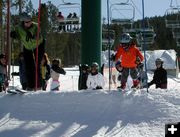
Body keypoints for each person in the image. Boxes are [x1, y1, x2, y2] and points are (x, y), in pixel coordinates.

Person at [10, 12, 45, 90]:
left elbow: (39, 38)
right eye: (27, 22)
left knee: (36, 65)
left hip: (38, 46)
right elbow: (18, 37)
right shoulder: (19, 28)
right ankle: (30, 86)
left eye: (30, 21)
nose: (29, 23)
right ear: (23, 22)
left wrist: (33, 36)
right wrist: (14, 35)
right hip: (27, 47)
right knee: (28, 67)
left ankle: (38, 86)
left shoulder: (36, 26)